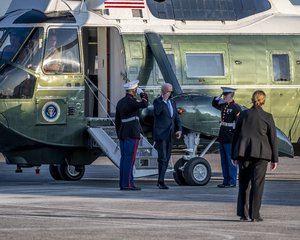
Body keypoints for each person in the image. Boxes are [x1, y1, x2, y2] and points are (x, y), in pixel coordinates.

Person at [232, 90, 278, 222]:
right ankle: (255, 215)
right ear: (263, 101)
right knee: (257, 184)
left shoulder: (243, 115)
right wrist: (274, 159)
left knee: (244, 184)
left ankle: (243, 214)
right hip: (261, 154)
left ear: (252, 100)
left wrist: (234, 155)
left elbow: (236, 135)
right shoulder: (268, 117)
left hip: (243, 153)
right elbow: (273, 139)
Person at [115, 80, 148, 191]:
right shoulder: (132, 101)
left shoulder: (120, 102)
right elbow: (145, 103)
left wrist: (119, 134)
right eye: (136, 89)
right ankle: (128, 184)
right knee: (130, 159)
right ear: (134, 90)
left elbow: (117, 121)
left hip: (123, 133)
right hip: (132, 133)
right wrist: (142, 93)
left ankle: (125, 183)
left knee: (124, 159)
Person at [153, 83, 182, 189]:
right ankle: (161, 181)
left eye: (171, 91)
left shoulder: (173, 102)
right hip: (161, 134)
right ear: (164, 91)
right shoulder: (157, 102)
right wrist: (163, 100)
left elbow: (176, 118)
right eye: (170, 91)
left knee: (167, 157)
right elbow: (157, 113)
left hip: (170, 134)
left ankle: (160, 179)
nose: (171, 93)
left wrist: (179, 129)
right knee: (163, 158)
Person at [212, 87, 241, 188]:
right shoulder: (223, 105)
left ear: (231, 96)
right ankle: (226, 180)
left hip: (230, 136)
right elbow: (214, 104)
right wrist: (218, 97)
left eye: (226, 95)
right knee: (224, 160)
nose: (224, 96)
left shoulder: (236, 107)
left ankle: (232, 181)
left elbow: (238, 123)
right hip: (223, 135)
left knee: (230, 160)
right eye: (223, 95)